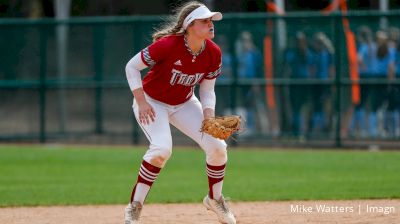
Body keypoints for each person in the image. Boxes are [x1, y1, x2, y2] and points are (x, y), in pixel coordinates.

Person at [124, 2, 236, 224]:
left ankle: (215, 199)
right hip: (152, 102)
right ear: (190, 26)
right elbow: (131, 67)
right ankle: (134, 206)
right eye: (205, 21)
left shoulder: (213, 52)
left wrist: (208, 116)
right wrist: (141, 101)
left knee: (218, 147)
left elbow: (207, 89)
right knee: (161, 150)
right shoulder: (167, 45)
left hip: (184, 103)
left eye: (211, 20)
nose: (210, 24)